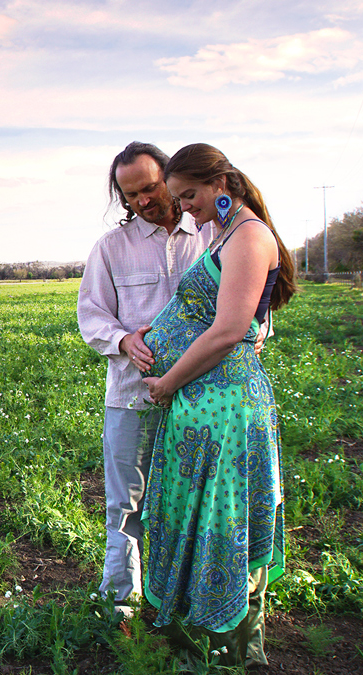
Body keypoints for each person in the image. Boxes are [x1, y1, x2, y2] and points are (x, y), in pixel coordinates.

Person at [140, 143, 296, 666]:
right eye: (179, 198)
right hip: (203, 407)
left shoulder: (249, 236)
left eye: (190, 196)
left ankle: (238, 640)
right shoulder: (225, 233)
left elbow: (229, 329)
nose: (184, 207)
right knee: (200, 515)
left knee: (226, 518)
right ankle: (209, 630)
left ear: (221, 182)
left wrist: (168, 382)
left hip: (226, 410)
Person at [77, 142, 214, 614]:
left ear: (169, 178)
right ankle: (120, 600)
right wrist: (121, 341)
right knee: (126, 505)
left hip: (203, 396)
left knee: (196, 503)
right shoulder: (111, 248)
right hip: (133, 396)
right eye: (130, 195)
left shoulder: (213, 234)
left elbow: (249, 296)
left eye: (150, 189)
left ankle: (188, 597)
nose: (142, 201)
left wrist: (260, 330)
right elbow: (91, 316)